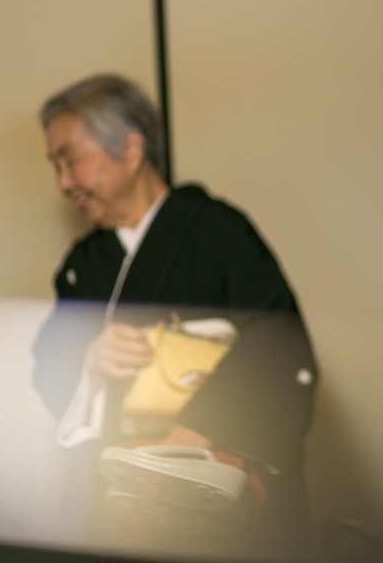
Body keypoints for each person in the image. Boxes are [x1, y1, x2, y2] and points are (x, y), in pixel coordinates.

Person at [30, 73, 316, 560]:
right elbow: (48, 365)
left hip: (211, 483)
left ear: (131, 149)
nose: (63, 183)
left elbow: (280, 345)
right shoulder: (84, 265)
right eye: (55, 166)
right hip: (114, 498)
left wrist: (205, 428)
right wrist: (89, 360)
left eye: (71, 159)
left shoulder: (218, 232)